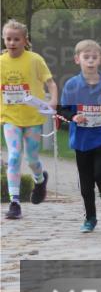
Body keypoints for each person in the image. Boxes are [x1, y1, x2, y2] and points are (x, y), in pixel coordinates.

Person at [59, 39, 101, 232]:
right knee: (85, 184)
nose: (90, 61)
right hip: (81, 141)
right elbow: (63, 110)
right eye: (86, 57)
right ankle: (90, 218)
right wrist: (74, 116)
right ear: (78, 59)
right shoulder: (71, 85)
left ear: (100, 59)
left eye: (94, 57)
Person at [1, 19, 57, 219]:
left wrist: (53, 102)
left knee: (32, 159)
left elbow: (50, 83)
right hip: (10, 118)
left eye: (16, 39)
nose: (12, 42)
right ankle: (14, 202)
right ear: (4, 40)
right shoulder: (1, 62)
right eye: (8, 39)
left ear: (25, 40)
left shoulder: (35, 60)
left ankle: (40, 180)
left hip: (33, 117)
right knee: (14, 156)